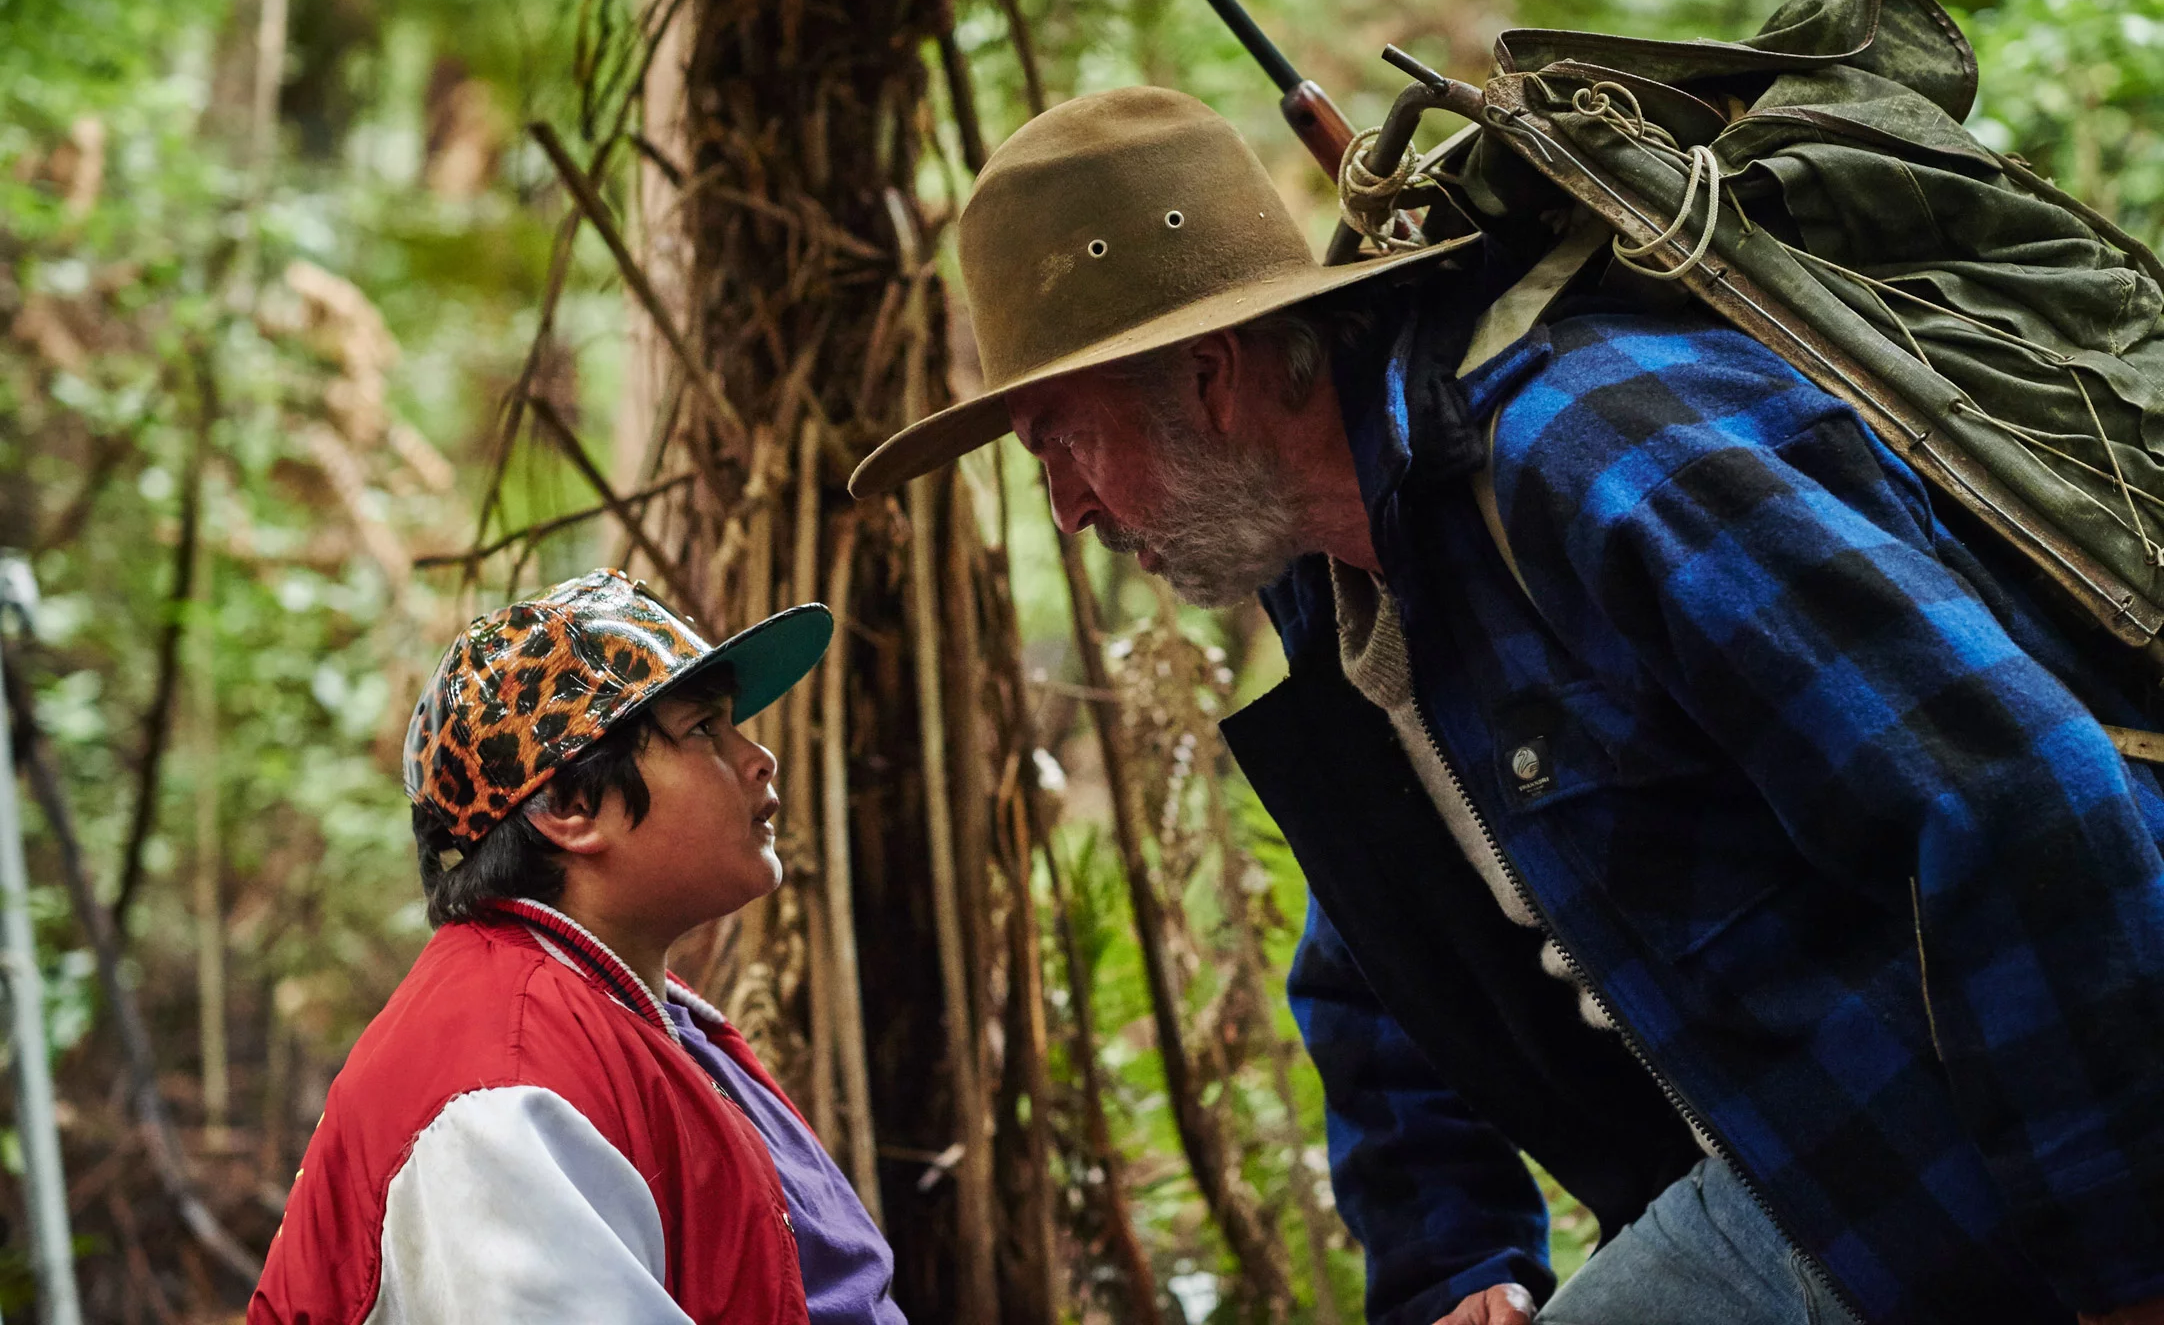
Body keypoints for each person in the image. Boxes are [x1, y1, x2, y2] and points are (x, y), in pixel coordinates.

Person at [848, 86, 2164, 1325]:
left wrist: (2122, 1275)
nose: (1069, 510)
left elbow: (2019, 801)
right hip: (1797, 1178)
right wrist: (1454, 1258)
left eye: (1062, 442)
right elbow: (1384, 961)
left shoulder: (1595, 456)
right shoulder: (1338, 588)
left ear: (1212, 378)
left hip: (1983, 1183)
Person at [250, 568, 902, 1325]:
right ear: (568, 806)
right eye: (703, 730)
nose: (760, 758)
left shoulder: (632, 1013)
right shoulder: (499, 1096)